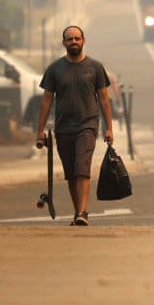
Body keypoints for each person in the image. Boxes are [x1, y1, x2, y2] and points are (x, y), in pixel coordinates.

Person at [36, 25, 114, 226]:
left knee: (82, 167)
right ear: (64, 43)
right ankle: (77, 212)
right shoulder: (54, 69)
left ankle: (82, 212)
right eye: (69, 39)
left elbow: (104, 99)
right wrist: (40, 131)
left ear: (84, 40)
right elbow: (46, 101)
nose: (74, 42)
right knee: (71, 173)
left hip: (87, 126)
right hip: (63, 128)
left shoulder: (95, 67)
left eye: (77, 38)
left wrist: (109, 127)